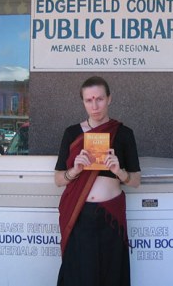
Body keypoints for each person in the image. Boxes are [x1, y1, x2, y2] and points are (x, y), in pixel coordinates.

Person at [54, 76, 141, 286]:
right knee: (80, 274)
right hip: (79, 213)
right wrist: (74, 170)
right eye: (89, 100)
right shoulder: (72, 133)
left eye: (99, 99)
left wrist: (118, 171)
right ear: (83, 102)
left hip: (110, 215)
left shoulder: (123, 133)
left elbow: (136, 180)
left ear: (109, 99)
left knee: (111, 274)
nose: (95, 106)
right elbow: (58, 179)